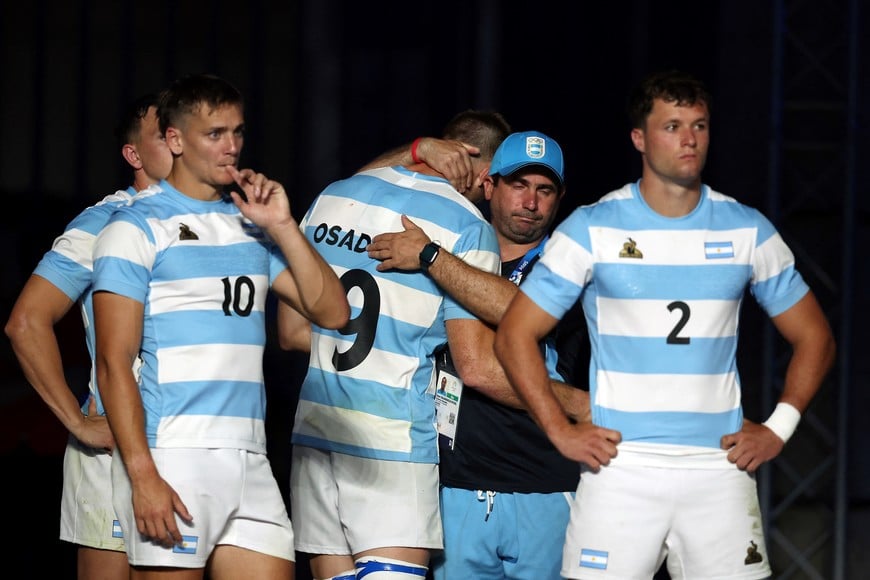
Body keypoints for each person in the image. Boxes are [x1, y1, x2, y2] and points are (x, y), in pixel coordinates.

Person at [493, 69, 837, 579]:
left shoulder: (747, 229)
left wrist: (778, 430)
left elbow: (816, 338)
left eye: (699, 125)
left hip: (719, 471)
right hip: (621, 469)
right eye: (672, 126)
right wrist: (559, 432)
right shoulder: (592, 227)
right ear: (639, 137)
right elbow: (514, 334)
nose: (689, 139)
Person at [91, 73, 349, 579]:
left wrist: (282, 225)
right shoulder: (135, 227)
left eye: (238, 132)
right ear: (175, 140)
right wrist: (142, 476)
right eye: (215, 134)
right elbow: (112, 363)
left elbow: (333, 313)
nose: (231, 146)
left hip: (250, 458)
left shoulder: (250, 224)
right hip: (175, 456)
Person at [365, 130, 621, 580]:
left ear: (559, 199)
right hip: (455, 490)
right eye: (518, 185)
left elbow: (513, 319)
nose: (531, 201)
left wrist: (429, 256)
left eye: (545, 190)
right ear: (489, 187)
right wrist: (416, 151)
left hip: (545, 485)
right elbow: (352, 192)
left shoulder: (573, 269)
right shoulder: (451, 246)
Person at [284, 110, 510, 580]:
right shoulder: (469, 229)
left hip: (316, 431)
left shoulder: (333, 196)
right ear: (480, 170)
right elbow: (474, 365)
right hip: (392, 441)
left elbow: (290, 333)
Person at [5, 92, 172, 580]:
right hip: (114, 452)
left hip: (196, 443)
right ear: (133, 155)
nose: (179, 141)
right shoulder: (105, 222)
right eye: (163, 133)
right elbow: (26, 322)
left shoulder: (216, 220)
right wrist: (77, 423)